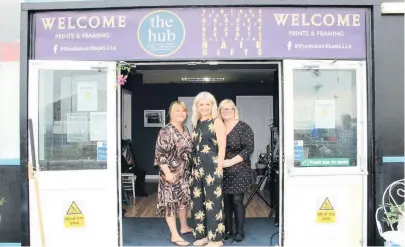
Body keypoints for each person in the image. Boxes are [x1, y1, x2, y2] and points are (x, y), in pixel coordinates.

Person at [154, 101, 194, 246]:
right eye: (177, 111)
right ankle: (174, 235)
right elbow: (160, 154)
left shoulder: (185, 129)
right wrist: (167, 173)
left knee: (183, 202)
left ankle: (184, 227)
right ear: (171, 113)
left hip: (184, 174)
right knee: (171, 203)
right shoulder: (166, 130)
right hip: (170, 175)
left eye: (183, 111)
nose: (181, 113)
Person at [190, 92, 226, 247]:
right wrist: (193, 167)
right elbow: (195, 147)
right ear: (197, 107)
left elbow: (223, 146)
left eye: (207, 104)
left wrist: (219, 167)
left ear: (212, 106)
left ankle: (216, 239)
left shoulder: (217, 121)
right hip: (197, 167)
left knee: (213, 202)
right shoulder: (197, 122)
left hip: (212, 166)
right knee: (198, 202)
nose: (204, 107)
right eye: (201, 104)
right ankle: (203, 235)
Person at [218, 99, 254, 244]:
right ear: (220, 112)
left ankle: (239, 231)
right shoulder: (218, 127)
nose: (226, 111)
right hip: (223, 170)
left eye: (229, 109)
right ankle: (228, 230)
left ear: (234, 110)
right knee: (226, 202)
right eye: (223, 109)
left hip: (239, 169)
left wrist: (231, 162)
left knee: (237, 201)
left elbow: (248, 148)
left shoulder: (243, 127)